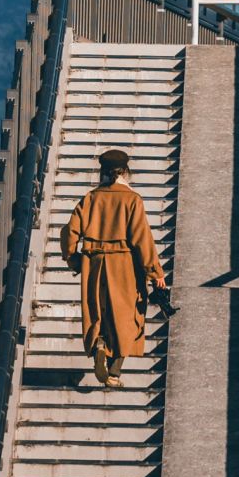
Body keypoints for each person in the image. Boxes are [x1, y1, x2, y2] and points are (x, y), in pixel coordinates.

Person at [60, 147, 166, 389]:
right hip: (125, 264)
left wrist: (74, 260)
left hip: (94, 262)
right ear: (125, 172)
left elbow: (69, 233)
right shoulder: (132, 200)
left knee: (100, 311)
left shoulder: (90, 198)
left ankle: (100, 344)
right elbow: (142, 239)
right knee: (128, 316)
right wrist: (155, 273)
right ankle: (115, 372)